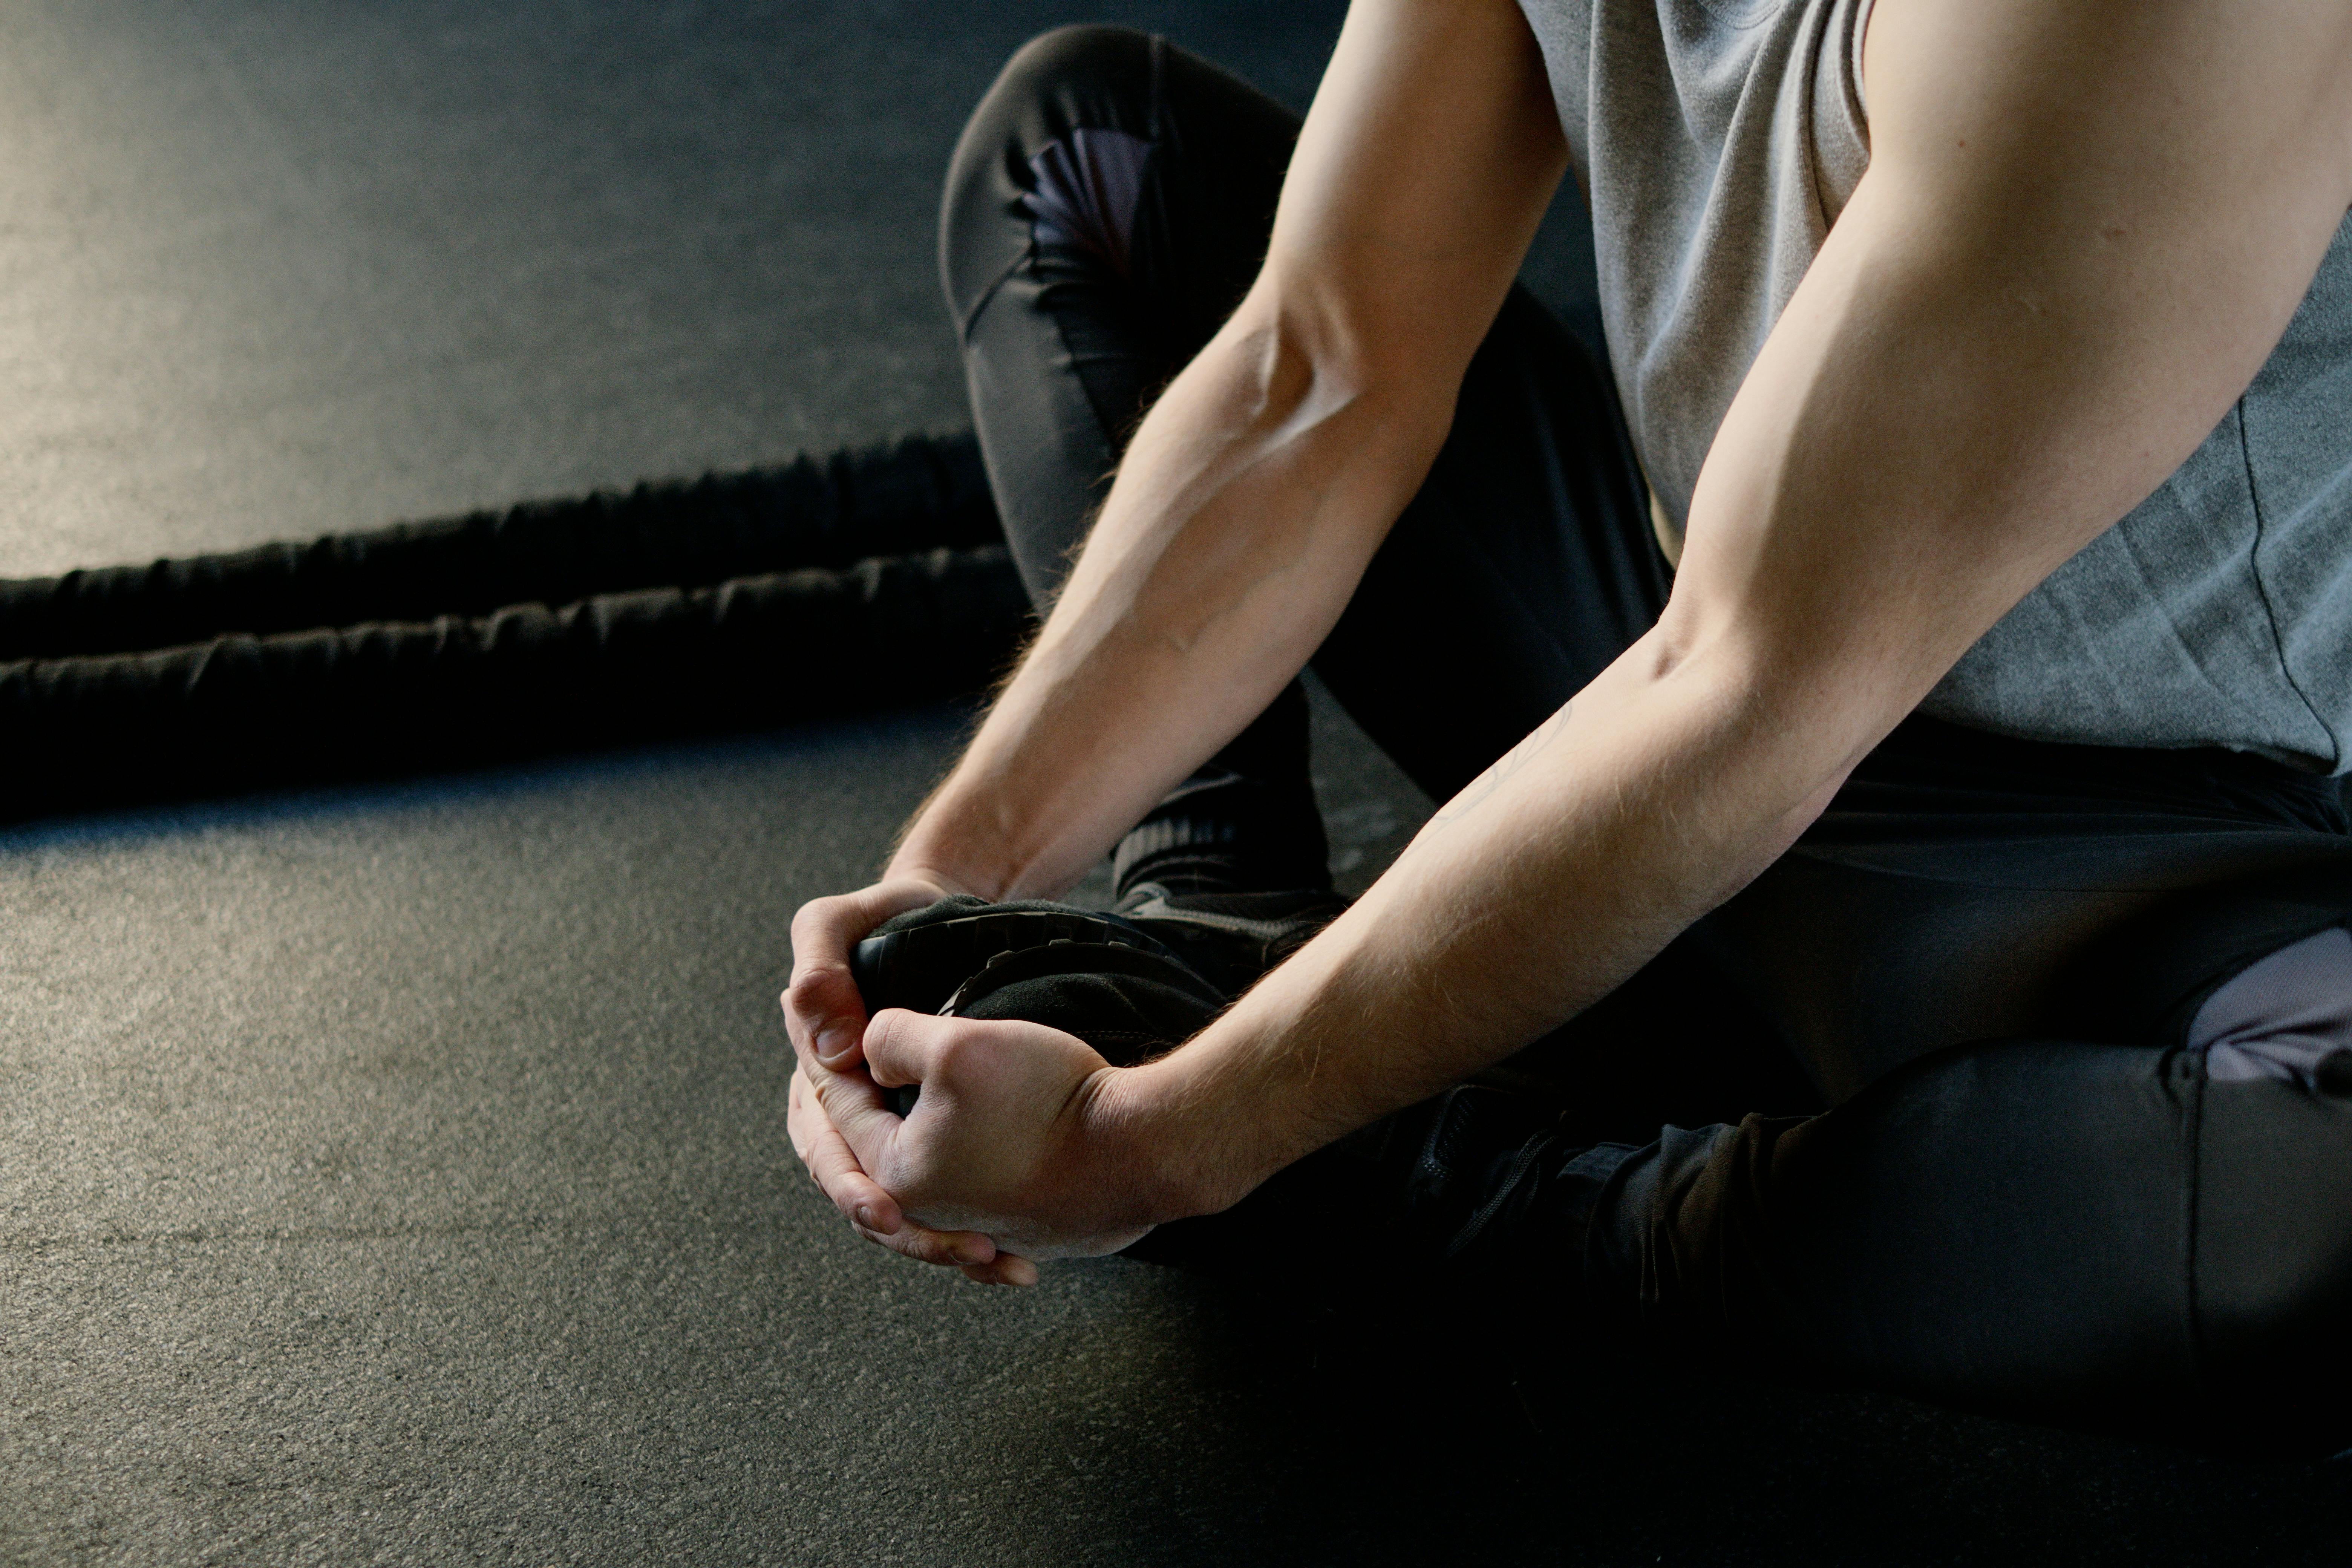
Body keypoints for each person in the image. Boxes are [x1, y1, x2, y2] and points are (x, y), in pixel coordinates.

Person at [783, 0, 2352, 1449]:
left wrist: (1161, 1140)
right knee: (1093, 152)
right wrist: (949, 881)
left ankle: (1436, 1168)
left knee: (2326, 1179)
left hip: (2150, 852)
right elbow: (1321, 371)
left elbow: (1761, 685)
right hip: (1682, 670)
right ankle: (1220, 927)